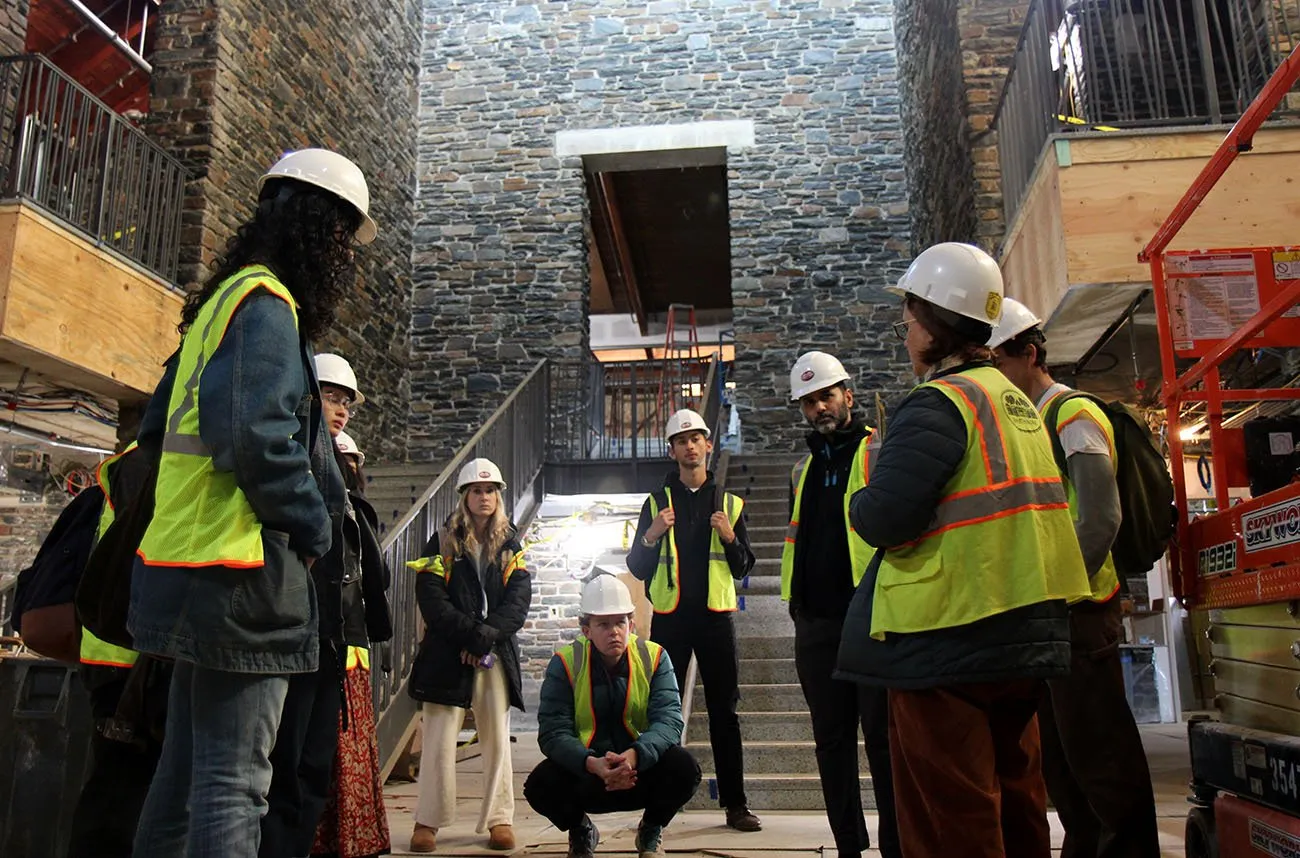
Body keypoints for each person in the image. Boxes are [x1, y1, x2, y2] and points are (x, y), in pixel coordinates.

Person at [127, 147, 376, 858]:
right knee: (236, 786)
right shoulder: (266, 307)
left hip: (185, 569)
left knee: (179, 786)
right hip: (244, 577)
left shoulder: (218, 306)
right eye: (342, 236)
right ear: (318, 225)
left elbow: (153, 434)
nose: (343, 255)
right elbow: (258, 440)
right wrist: (312, 526)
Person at [836, 242, 1092, 858]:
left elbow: (888, 516)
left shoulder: (938, 405)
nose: (905, 335)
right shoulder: (1014, 402)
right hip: (1020, 631)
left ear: (933, 323)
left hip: (949, 635)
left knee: (952, 817)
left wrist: (858, 502)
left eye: (908, 322)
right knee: (1018, 800)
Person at [989, 299, 1160, 858]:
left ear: (1030, 353)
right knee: (1063, 761)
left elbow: (1102, 518)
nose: (992, 376)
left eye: (999, 361)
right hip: (1053, 611)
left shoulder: (1072, 414)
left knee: (1101, 756)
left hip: (1081, 612)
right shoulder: (1030, 421)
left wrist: (1058, 591)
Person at [262, 352, 392, 858]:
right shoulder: (292, 463)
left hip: (334, 640)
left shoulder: (342, 488)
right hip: (296, 633)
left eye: (345, 402)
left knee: (314, 765)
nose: (340, 409)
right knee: (285, 765)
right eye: (331, 397)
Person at [783, 351, 900, 858]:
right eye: (808, 402)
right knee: (831, 746)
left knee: (884, 744)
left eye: (826, 396)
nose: (818, 408)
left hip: (873, 618)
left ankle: (896, 847)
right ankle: (849, 848)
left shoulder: (881, 454)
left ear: (848, 396)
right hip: (816, 625)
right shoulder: (802, 471)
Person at [625, 408, 760, 833]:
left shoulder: (731, 505)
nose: (690, 446)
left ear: (708, 445)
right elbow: (638, 566)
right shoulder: (654, 504)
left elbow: (743, 568)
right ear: (672, 450)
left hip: (716, 619)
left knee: (725, 712)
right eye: (681, 440)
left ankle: (735, 805)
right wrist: (651, 535)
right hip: (670, 619)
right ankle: (657, 805)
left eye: (696, 438)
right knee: (663, 713)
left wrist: (730, 538)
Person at [405, 457, 533, 853]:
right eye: (477, 490)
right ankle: (428, 820)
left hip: (492, 654)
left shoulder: (511, 543)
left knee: (495, 737)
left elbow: (518, 600)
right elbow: (431, 598)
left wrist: (485, 638)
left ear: (499, 496)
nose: (484, 497)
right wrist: (469, 636)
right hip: (448, 653)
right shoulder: (442, 541)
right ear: (464, 497)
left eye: (491, 490)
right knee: (441, 739)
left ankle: (499, 819)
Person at [524, 574, 701, 858]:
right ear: (586, 630)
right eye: (603, 624)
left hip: (638, 771)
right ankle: (581, 830)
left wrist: (634, 756)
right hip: (590, 773)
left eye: (620, 622)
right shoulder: (565, 664)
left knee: (685, 768)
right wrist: (590, 763)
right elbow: (553, 731)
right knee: (539, 786)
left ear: (631, 624)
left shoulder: (654, 657)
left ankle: (651, 830)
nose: (614, 631)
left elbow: (669, 721)